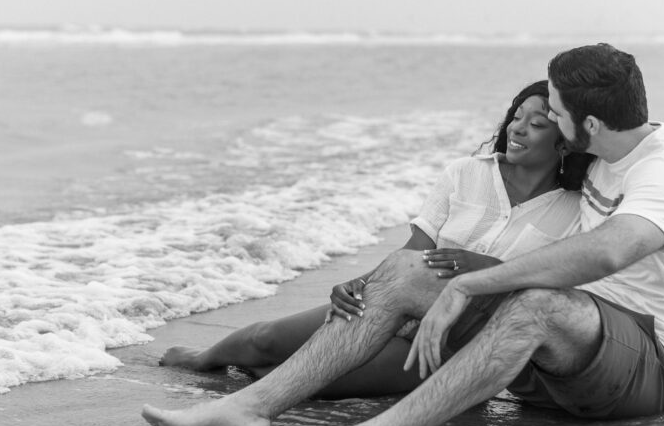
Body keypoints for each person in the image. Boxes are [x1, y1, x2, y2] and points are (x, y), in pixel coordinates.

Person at [142, 43, 664, 426]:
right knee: (403, 269)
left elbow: (612, 251)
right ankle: (247, 411)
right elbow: (512, 161)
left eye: (556, 112)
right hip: (552, 357)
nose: (542, 118)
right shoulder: (602, 151)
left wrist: (470, 282)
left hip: (642, 363)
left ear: (588, 126)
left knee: (536, 304)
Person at [158, 80, 593, 399]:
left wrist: (488, 269)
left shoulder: (577, 208)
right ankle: (208, 358)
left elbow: (558, 290)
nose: (517, 129)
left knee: (314, 379)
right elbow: (413, 253)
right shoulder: (466, 173)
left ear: (564, 141)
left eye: (536, 123)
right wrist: (360, 285)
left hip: (455, 342)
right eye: (515, 116)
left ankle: (248, 380)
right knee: (266, 340)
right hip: (392, 306)